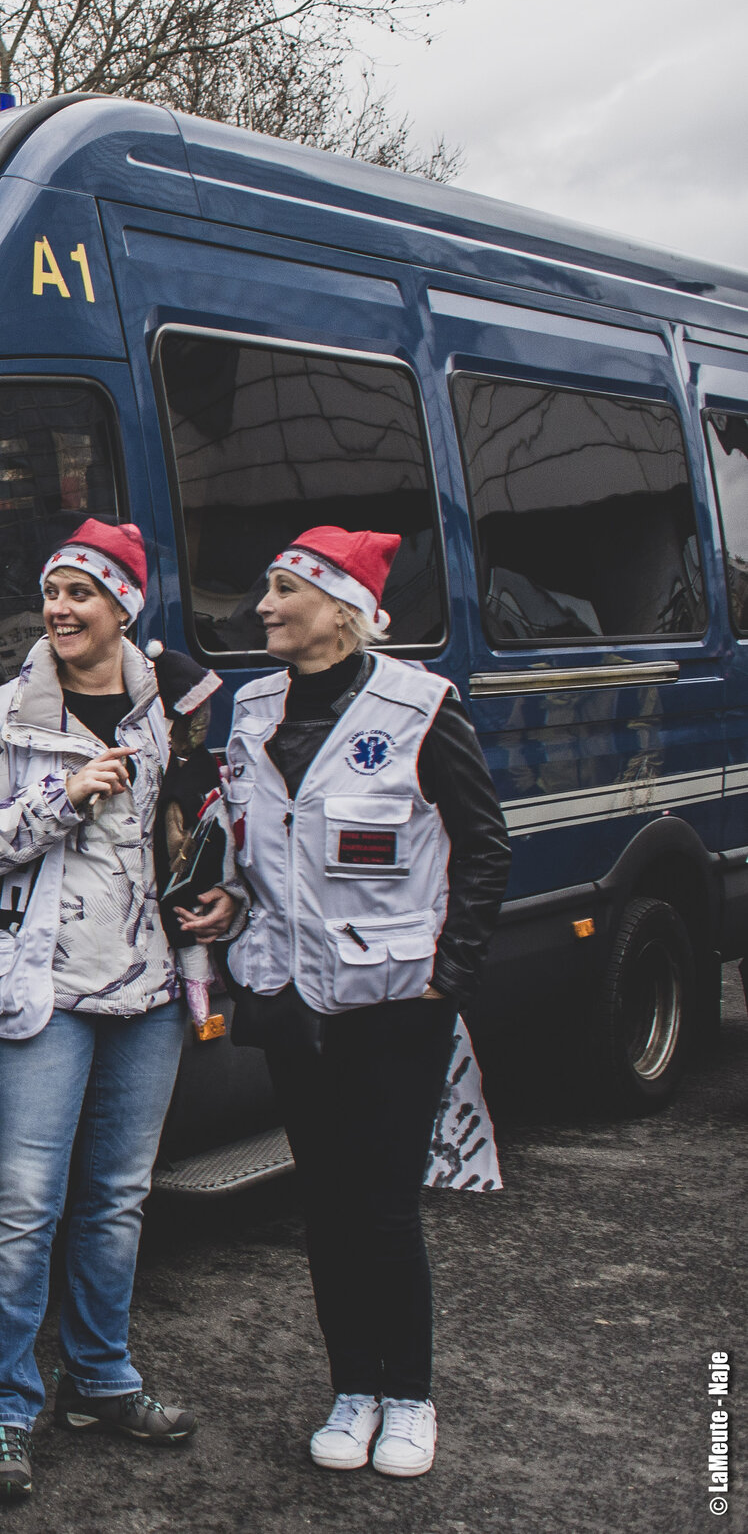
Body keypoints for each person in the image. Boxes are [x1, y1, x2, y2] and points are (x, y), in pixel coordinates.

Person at [176, 526, 510, 1480]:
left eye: (284, 590)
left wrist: (452, 974)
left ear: (342, 608)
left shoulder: (421, 705)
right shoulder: (254, 708)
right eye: (267, 590)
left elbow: (485, 848)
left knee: (382, 1207)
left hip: (394, 1002)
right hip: (289, 1000)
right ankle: (351, 1388)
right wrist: (230, 900)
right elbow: (254, 849)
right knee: (324, 1205)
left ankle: (409, 1396)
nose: (264, 607)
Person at [0, 519, 213, 1501]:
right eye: (50, 591)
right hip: (42, 994)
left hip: (149, 990)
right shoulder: (5, 713)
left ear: (122, 605)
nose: (58, 609)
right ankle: (5, 1413)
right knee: (21, 1210)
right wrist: (61, 799)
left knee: (116, 1201)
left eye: (80, 593)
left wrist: (219, 894)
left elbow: (202, 829)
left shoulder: (168, 706)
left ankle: (101, 1379)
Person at [149, 645, 227, 1028]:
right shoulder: (162, 770)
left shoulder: (200, 763)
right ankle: (202, 1013)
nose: (202, 723)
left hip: (209, 878)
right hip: (180, 889)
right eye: (194, 715)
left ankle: (205, 1005)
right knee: (189, 936)